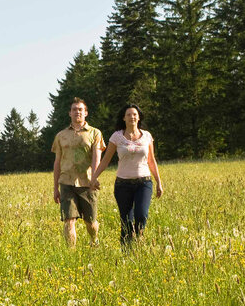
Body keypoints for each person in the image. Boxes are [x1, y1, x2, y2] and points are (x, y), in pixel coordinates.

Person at [91, 104, 163, 242]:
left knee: (141, 215)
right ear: (123, 118)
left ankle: (139, 238)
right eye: (129, 114)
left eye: (135, 114)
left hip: (144, 182)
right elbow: (105, 161)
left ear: (139, 117)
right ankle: (126, 253)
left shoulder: (147, 136)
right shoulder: (117, 137)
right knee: (126, 221)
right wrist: (94, 178)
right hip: (122, 184)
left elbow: (151, 161)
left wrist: (159, 182)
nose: (132, 117)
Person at [51, 98, 105, 247]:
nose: (77, 112)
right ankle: (71, 253)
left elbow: (96, 159)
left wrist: (94, 178)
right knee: (69, 220)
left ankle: (94, 240)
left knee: (90, 222)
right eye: (74, 109)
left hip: (87, 182)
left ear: (86, 113)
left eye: (80, 109)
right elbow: (57, 163)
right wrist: (55, 188)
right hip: (66, 182)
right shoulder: (61, 136)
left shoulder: (95, 133)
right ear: (70, 113)